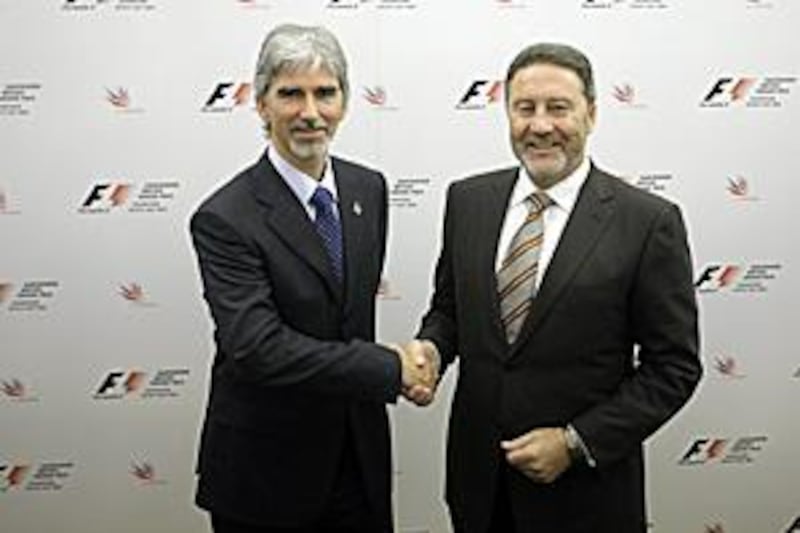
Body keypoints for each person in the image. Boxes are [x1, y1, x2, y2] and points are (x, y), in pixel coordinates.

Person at [414, 43, 702, 532]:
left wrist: (574, 442)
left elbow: (673, 368)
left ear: (591, 114)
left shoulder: (648, 222)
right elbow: (450, 310)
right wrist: (431, 350)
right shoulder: (468, 200)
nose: (541, 125)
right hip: (478, 488)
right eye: (525, 109)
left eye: (558, 108)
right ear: (507, 114)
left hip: (586, 499)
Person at [190, 24, 435, 533]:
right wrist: (387, 368)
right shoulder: (224, 217)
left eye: (325, 93)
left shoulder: (369, 188)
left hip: (358, 461)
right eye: (290, 94)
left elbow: (347, 313)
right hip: (266, 474)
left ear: (344, 101)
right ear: (260, 104)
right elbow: (257, 348)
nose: (310, 112)